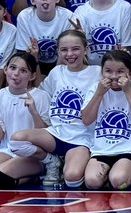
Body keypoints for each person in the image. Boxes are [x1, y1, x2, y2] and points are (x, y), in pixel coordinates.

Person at [12, 29, 100, 187]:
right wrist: (35, 59)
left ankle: (74, 162)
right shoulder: (56, 72)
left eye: (75, 48)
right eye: (64, 50)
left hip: (82, 138)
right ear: (58, 52)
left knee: (72, 178)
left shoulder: (97, 73)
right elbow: (40, 89)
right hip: (56, 134)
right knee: (17, 140)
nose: (70, 54)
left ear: (86, 49)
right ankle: (51, 161)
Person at [0, 51, 50, 187]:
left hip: (33, 155)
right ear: (6, 70)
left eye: (23, 70)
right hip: (7, 151)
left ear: (32, 76)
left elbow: (46, 135)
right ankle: (25, 178)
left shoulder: (41, 96)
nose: (16, 74)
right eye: (12, 68)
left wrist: (34, 113)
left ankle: (35, 176)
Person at [81, 49, 131, 190]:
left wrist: (128, 90)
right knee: (92, 182)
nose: (114, 76)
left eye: (120, 71)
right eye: (108, 71)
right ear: (102, 72)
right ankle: (108, 175)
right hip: (101, 150)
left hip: (129, 150)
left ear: (130, 73)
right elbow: (86, 119)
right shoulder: (95, 88)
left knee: (118, 182)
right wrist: (99, 94)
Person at [14, 0, 75, 76]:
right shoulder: (24, 17)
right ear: (32, 0)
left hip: (61, 66)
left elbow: (67, 54)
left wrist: (53, 78)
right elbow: (24, 56)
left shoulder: (68, 16)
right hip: (33, 64)